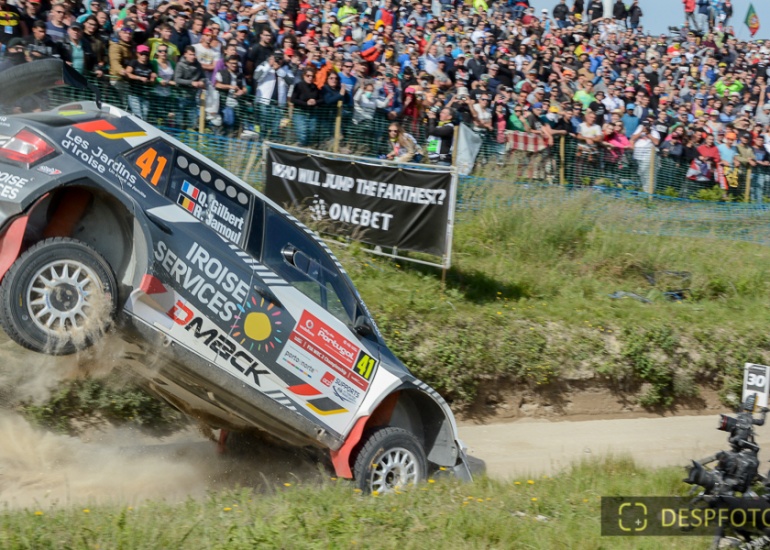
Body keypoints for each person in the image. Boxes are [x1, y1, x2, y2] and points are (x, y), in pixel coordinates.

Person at [215, 55, 247, 136]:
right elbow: (217, 85)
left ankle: (230, 137)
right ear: (227, 63)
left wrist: (242, 92)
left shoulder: (240, 75)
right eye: (232, 63)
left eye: (235, 63)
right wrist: (230, 87)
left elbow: (245, 88)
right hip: (225, 102)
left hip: (237, 104)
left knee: (237, 125)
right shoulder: (221, 73)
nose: (234, 65)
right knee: (229, 121)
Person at [125, 44, 156, 120]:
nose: (144, 56)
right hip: (134, 94)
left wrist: (152, 78)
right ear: (137, 54)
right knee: (138, 116)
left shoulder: (150, 65)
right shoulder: (134, 62)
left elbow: (152, 81)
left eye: (146, 54)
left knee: (144, 116)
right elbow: (127, 73)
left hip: (145, 94)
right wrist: (139, 78)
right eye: (142, 54)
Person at [291, 68, 321, 146]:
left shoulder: (315, 87)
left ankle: (306, 150)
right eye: (308, 75)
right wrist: (306, 103)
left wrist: (315, 102)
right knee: (302, 134)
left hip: (312, 114)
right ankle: (299, 149)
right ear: (304, 76)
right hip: (300, 113)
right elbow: (293, 99)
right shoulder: (298, 85)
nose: (310, 78)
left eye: (312, 76)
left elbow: (322, 99)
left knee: (311, 133)